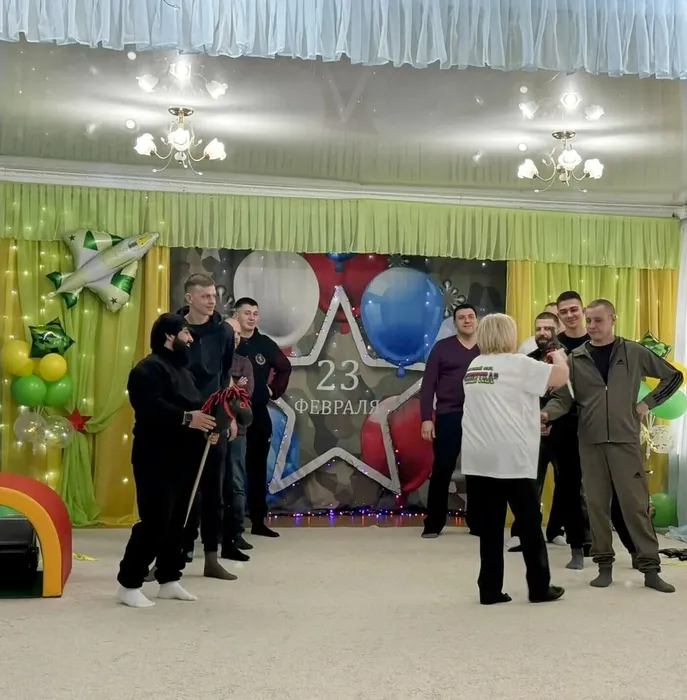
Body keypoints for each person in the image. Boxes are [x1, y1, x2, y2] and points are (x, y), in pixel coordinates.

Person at [542, 299, 682, 593]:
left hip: (626, 442)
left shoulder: (633, 351)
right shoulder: (576, 358)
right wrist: (546, 415)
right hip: (590, 444)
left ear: (613, 320)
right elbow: (563, 399)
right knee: (596, 508)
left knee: (636, 508)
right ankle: (604, 566)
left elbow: (674, 376)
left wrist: (647, 403)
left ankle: (650, 568)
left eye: (598, 320)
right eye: (589, 321)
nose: (592, 326)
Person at [462, 313, 567, 605]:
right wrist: (557, 354)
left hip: (479, 457)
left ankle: (489, 589)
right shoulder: (518, 363)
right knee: (530, 524)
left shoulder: (475, 365)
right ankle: (539, 587)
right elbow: (561, 377)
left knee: (490, 528)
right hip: (511, 457)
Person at [116, 313, 218, 608]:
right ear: (169, 336)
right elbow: (150, 408)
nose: (191, 339)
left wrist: (208, 428)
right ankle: (129, 583)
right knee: (156, 520)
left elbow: (196, 409)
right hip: (155, 457)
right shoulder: (146, 369)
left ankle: (169, 578)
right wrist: (187, 419)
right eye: (186, 333)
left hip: (185, 457)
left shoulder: (184, 372)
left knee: (181, 522)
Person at [546, 292, 636, 560]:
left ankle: (634, 549)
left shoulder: (601, 339)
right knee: (570, 487)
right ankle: (580, 545)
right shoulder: (552, 348)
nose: (570, 315)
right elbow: (547, 389)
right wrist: (545, 416)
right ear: (559, 315)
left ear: (583, 310)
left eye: (574, 309)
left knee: (615, 490)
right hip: (564, 426)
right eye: (564, 312)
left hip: (601, 426)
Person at [508, 311, 587, 569]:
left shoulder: (570, 359)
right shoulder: (528, 360)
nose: (542, 333)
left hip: (566, 432)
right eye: (538, 328)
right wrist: (532, 420)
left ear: (558, 329)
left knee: (570, 490)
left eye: (548, 328)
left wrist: (546, 417)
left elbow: (568, 397)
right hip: (533, 433)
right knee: (530, 486)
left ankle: (574, 542)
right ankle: (526, 536)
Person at [178, 274, 244, 579]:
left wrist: (227, 418)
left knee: (214, 491)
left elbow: (224, 375)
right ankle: (174, 553)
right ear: (189, 298)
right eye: (205, 296)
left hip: (214, 418)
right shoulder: (175, 327)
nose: (211, 301)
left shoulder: (224, 332)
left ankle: (211, 557)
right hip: (184, 418)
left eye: (213, 296)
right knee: (181, 491)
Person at [420, 303, 480, 538]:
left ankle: (477, 522)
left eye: (471, 316)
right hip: (448, 415)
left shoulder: (487, 348)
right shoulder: (442, 348)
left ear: (477, 320)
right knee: (442, 469)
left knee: (478, 471)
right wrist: (427, 418)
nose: (467, 320)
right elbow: (428, 386)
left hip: (481, 418)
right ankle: (433, 523)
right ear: (455, 323)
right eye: (461, 317)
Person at [234, 297, 292, 537]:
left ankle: (258, 521)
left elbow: (284, 367)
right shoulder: (228, 341)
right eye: (247, 312)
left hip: (258, 413)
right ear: (236, 315)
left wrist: (271, 390)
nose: (251, 317)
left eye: (255, 313)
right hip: (231, 414)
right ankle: (230, 523)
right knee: (231, 469)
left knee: (257, 469)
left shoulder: (265, 344)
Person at [223, 317, 254, 551]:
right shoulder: (210, 360)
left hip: (238, 431)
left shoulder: (244, 363)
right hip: (212, 428)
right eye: (230, 331)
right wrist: (235, 384)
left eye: (238, 333)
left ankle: (235, 532)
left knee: (235, 481)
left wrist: (232, 387)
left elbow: (244, 396)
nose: (235, 337)